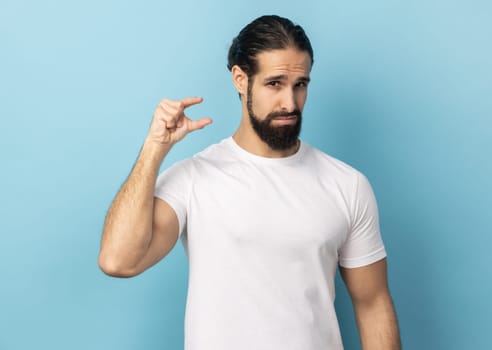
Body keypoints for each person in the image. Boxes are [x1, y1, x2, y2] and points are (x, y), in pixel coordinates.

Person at [99, 15, 401, 350]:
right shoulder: (195, 178)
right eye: (275, 83)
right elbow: (118, 261)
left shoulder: (347, 184)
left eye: (300, 84)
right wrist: (154, 150)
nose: (290, 102)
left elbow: (372, 304)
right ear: (241, 80)